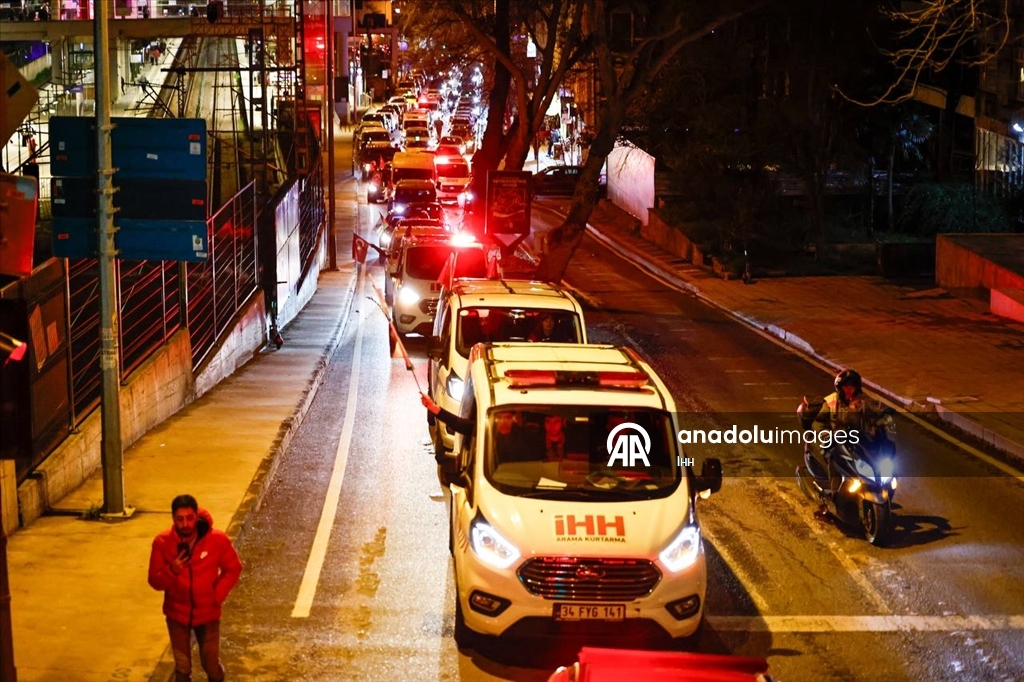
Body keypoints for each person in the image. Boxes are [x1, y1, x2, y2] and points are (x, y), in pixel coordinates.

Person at [148, 494, 242, 682]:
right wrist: (172, 570)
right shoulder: (162, 543)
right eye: (180, 519)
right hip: (177, 615)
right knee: (182, 669)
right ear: (173, 519)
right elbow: (154, 581)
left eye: (190, 518)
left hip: (208, 614)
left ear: (196, 517)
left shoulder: (216, 540)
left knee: (210, 664)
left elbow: (233, 568)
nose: (185, 524)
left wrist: (216, 596)